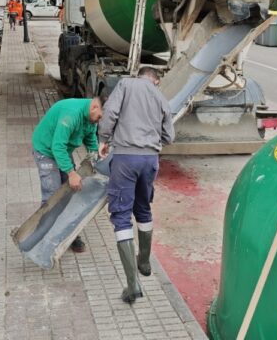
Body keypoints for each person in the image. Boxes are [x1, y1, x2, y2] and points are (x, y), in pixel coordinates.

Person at [97, 66, 174, 304]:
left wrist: (104, 139)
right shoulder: (161, 96)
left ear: (140, 74)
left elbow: (110, 113)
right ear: (156, 80)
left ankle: (132, 286)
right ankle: (144, 261)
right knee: (143, 208)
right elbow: (169, 137)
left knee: (121, 215)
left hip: (126, 159)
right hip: (150, 160)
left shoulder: (125, 84)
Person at [31, 96, 104, 252]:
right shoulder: (71, 115)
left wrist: (95, 157)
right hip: (46, 150)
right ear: (95, 107)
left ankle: (67, 233)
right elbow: (57, 147)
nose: (99, 121)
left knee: (70, 190)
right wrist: (71, 173)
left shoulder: (91, 118)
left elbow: (91, 138)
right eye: (99, 117)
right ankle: (43, 240)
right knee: (52, 194)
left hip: (63, 150)